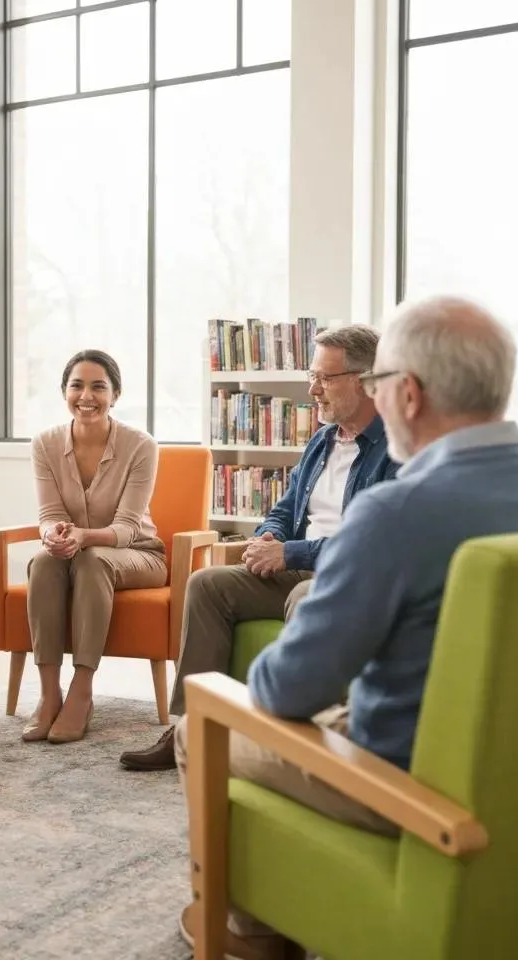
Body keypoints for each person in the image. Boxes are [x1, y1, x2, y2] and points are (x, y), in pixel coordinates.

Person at [175, 295, 518, 959]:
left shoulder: (395, 513)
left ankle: (254, 932)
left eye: (379, 383)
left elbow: (283, 691)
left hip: (411, 788)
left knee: (200, 726)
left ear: (407, 394)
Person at [121, 323, 399, 772]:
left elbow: (373, 545)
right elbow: (286, 509)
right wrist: (268, 537)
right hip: (300, 562)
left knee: (306, 595)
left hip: (351, 576)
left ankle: (294, 739)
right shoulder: (322, 441)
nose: (313, 390)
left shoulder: (395, 449)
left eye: (324, 378)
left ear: (365, 381)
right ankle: (193, 727)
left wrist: (291, 554)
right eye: (312, 376)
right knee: (207, 585)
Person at [23, 349, 168, 744]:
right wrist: (52, 535)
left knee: (92, 561)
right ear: (64, 392)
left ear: (115, 395)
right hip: (76, 553)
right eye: (77, 386)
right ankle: (48, 693)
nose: (86, 396)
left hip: (140, 555)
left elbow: (126, 528)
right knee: (43, 562)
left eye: (98, 387)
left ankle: (81, 693)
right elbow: (50, 513)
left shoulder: (141, 445)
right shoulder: (45, 444)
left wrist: (83, 537)